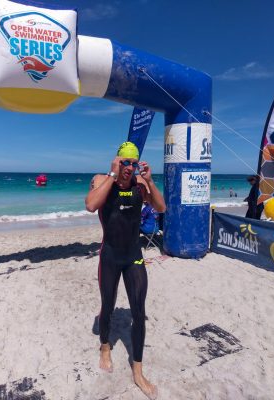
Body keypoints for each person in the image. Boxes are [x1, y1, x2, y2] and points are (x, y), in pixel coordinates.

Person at [85, 141, 166, 400]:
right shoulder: (101, 179)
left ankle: (138, 371)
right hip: (109, 256)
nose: (129, 168)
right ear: (117, 161)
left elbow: (161, 208)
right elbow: (91, 205)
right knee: (107, 305)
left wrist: (150, 182)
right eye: (125, 162)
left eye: (133, 163)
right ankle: (105, 347)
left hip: (134, 257)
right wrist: (111, 174)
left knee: (139, 312)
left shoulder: (140, 186)